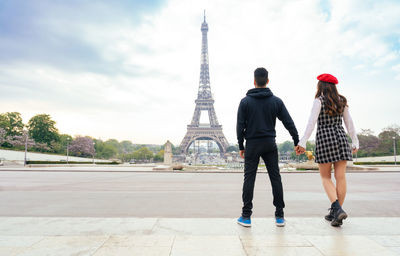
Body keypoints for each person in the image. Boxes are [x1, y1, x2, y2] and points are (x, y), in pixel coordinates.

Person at [236, 67, 299, 227]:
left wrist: (241, 145)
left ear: (254, 81)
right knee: (275, 177)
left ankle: (246, 216)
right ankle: (279, 215)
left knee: (249, 178)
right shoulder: (276, 101)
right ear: (268, 81)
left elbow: (240, 126)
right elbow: (288, 122)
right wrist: (296, 140)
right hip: (270, 143)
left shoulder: (245, 102)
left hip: (252, 144)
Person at [296, 73, 359, 227]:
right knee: (341, 177)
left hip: (325, 139)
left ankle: (337, 209)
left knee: (325, 177)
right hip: (341, 138)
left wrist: (302, 142)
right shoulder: (341, 101)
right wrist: (355, 141)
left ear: (321, 86)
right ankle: (336, 211)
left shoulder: (319, 101)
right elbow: (349, 123)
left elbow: (311, 123)